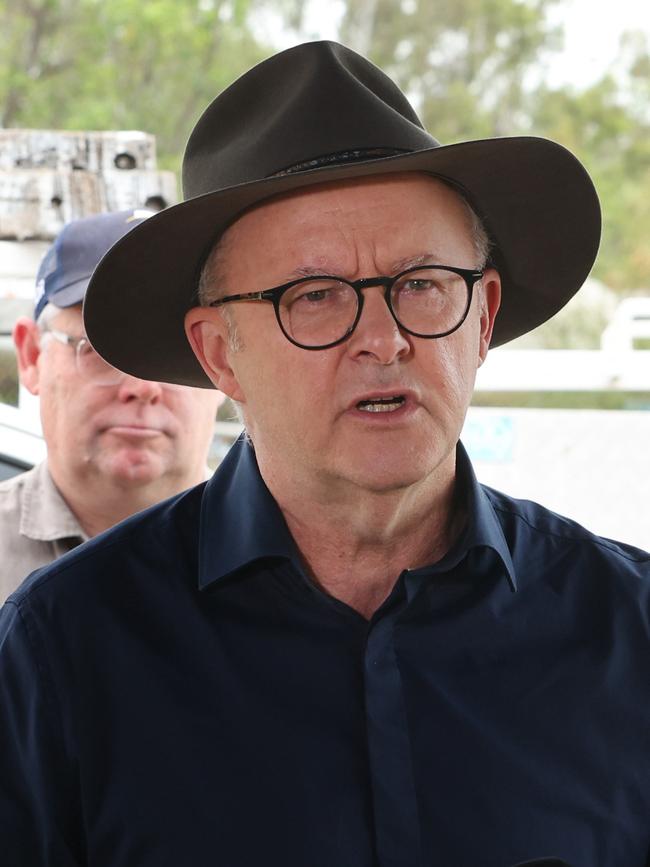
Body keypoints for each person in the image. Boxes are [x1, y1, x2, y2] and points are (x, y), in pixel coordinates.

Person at [1, 42, 648, 867]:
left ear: (482, 317)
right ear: (219, 354)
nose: (384, 339)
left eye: (422, 284)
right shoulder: (63, 653)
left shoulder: (629, 633)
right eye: (313, 296)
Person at [0, 209, 222, 599]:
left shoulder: (316, 563)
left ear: (224, 364)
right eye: (102, 350)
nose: (141, 385)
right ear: (32, 356)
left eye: (175, 351)